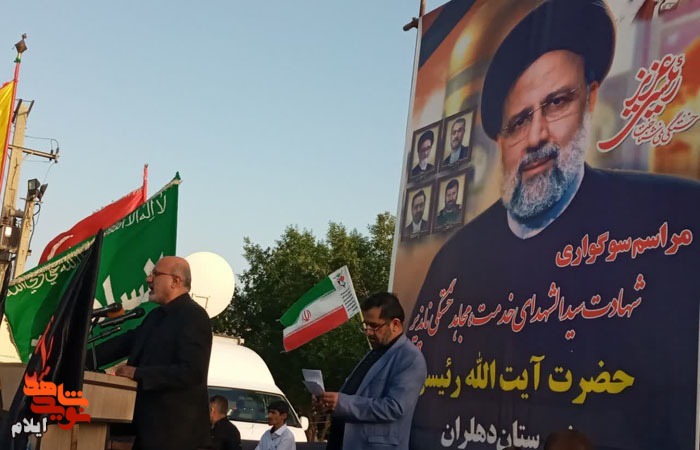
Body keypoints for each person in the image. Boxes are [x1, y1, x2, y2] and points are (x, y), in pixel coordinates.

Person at [408, 0, 700, 448]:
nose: (537, 135)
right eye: (519, 121)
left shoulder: (674, 217)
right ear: (500, 139)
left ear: (591, 99)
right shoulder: (453, 263)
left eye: (557, 103)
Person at [92, 256, 213, 450]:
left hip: (177, 437)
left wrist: (137, 373)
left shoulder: (194, 316)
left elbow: (191, 372)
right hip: (148, 433)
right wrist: (83, 356)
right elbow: (126, 343)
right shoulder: (155, 317)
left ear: (175, 281)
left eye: (155, 274)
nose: (148, 279)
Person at [319, 292, 427, 450]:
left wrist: (342, 403)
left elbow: (394, 408)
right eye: (366, 325)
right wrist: (329, 403)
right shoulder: (374, 353)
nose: (368, 332)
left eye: (374, 326)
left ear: (395, 324)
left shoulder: (410, 358)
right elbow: (355, 393)